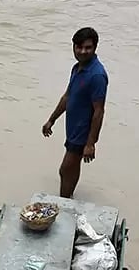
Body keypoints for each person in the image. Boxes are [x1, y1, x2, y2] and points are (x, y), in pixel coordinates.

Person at [41, 27, 108, 198]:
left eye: (88, 48)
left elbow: (99, 111)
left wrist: (90, 143)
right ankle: (67, 198)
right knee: (70, 168)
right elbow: (68, 96)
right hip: (72, 128)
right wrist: (51, 120)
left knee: (65, 169)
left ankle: (64, 202)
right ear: (73, 47)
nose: (83, 51)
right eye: (79, 47)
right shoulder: (77, 68)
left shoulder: (97, 75)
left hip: (82, 131)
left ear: (95, 48)